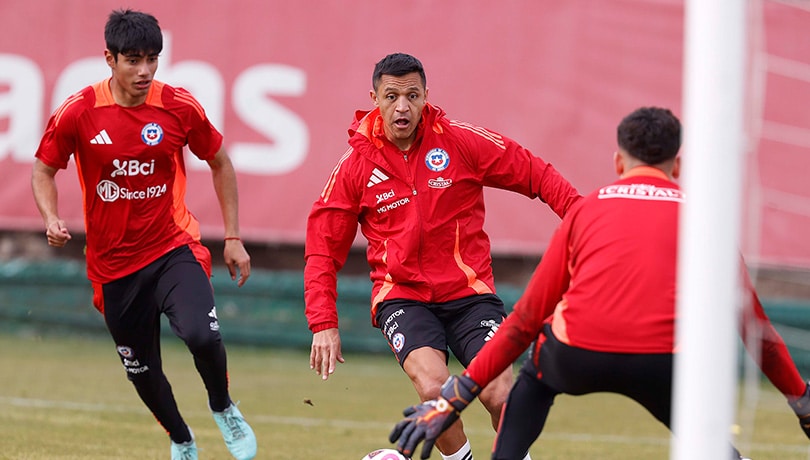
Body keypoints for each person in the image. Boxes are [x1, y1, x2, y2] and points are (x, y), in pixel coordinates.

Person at [389, 106, 810, 459]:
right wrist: (800, 400)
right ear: (677, 166)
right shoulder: (706, 219)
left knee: (534, 376)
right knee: (699, 427)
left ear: (618, 163)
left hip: (575, 356)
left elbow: (525, 320)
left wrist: (456, 396)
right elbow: (756, 331)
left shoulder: (585, 211)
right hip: (661, 360)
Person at [304, 52, 581, 460]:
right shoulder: (355, 166)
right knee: (435, 391)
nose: (402, 106)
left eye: (412, 96)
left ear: (426, 96)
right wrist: (323, 322)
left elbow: (536, 174)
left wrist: (586, 224)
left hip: (469, 295)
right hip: (403, 297)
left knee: (500, 393)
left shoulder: (460, 141)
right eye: (392, 96)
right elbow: (322, 250)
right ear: (375, 99)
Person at [30, 9, 257, 460]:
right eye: (133, 60)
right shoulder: (79, 111)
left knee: (202, 335)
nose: (145, 70)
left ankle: (223, 407)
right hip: (112, 266)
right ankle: (181, 439)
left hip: (172, 247)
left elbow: (220, 162)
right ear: (109, 59)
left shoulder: (177, 105)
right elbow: (43, 169)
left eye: (152, 58)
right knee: (142, 369)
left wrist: (233, 237)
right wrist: (51, 217)